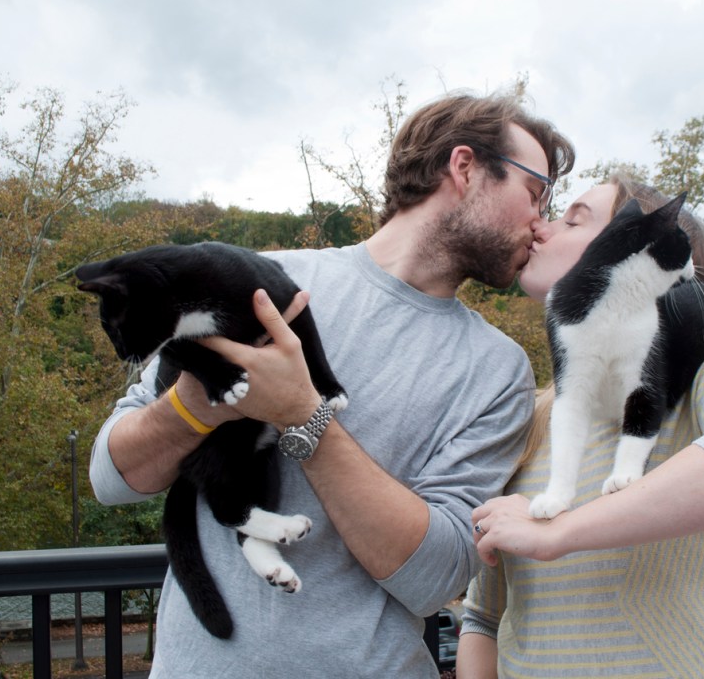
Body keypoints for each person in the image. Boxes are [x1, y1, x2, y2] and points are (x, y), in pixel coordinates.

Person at [88, 92, 575, 677]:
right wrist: (201, 401)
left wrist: (304, 414)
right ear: (466, 167)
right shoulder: (262, 279)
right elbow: (111, 477)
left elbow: (434, 579)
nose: (541, 221)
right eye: (536, 191)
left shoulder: (498, 371)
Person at [457, 176, 704, 678]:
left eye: (573, 218)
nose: (542, 227)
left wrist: (561, 531)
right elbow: (487, 614)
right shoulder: (540, 410)